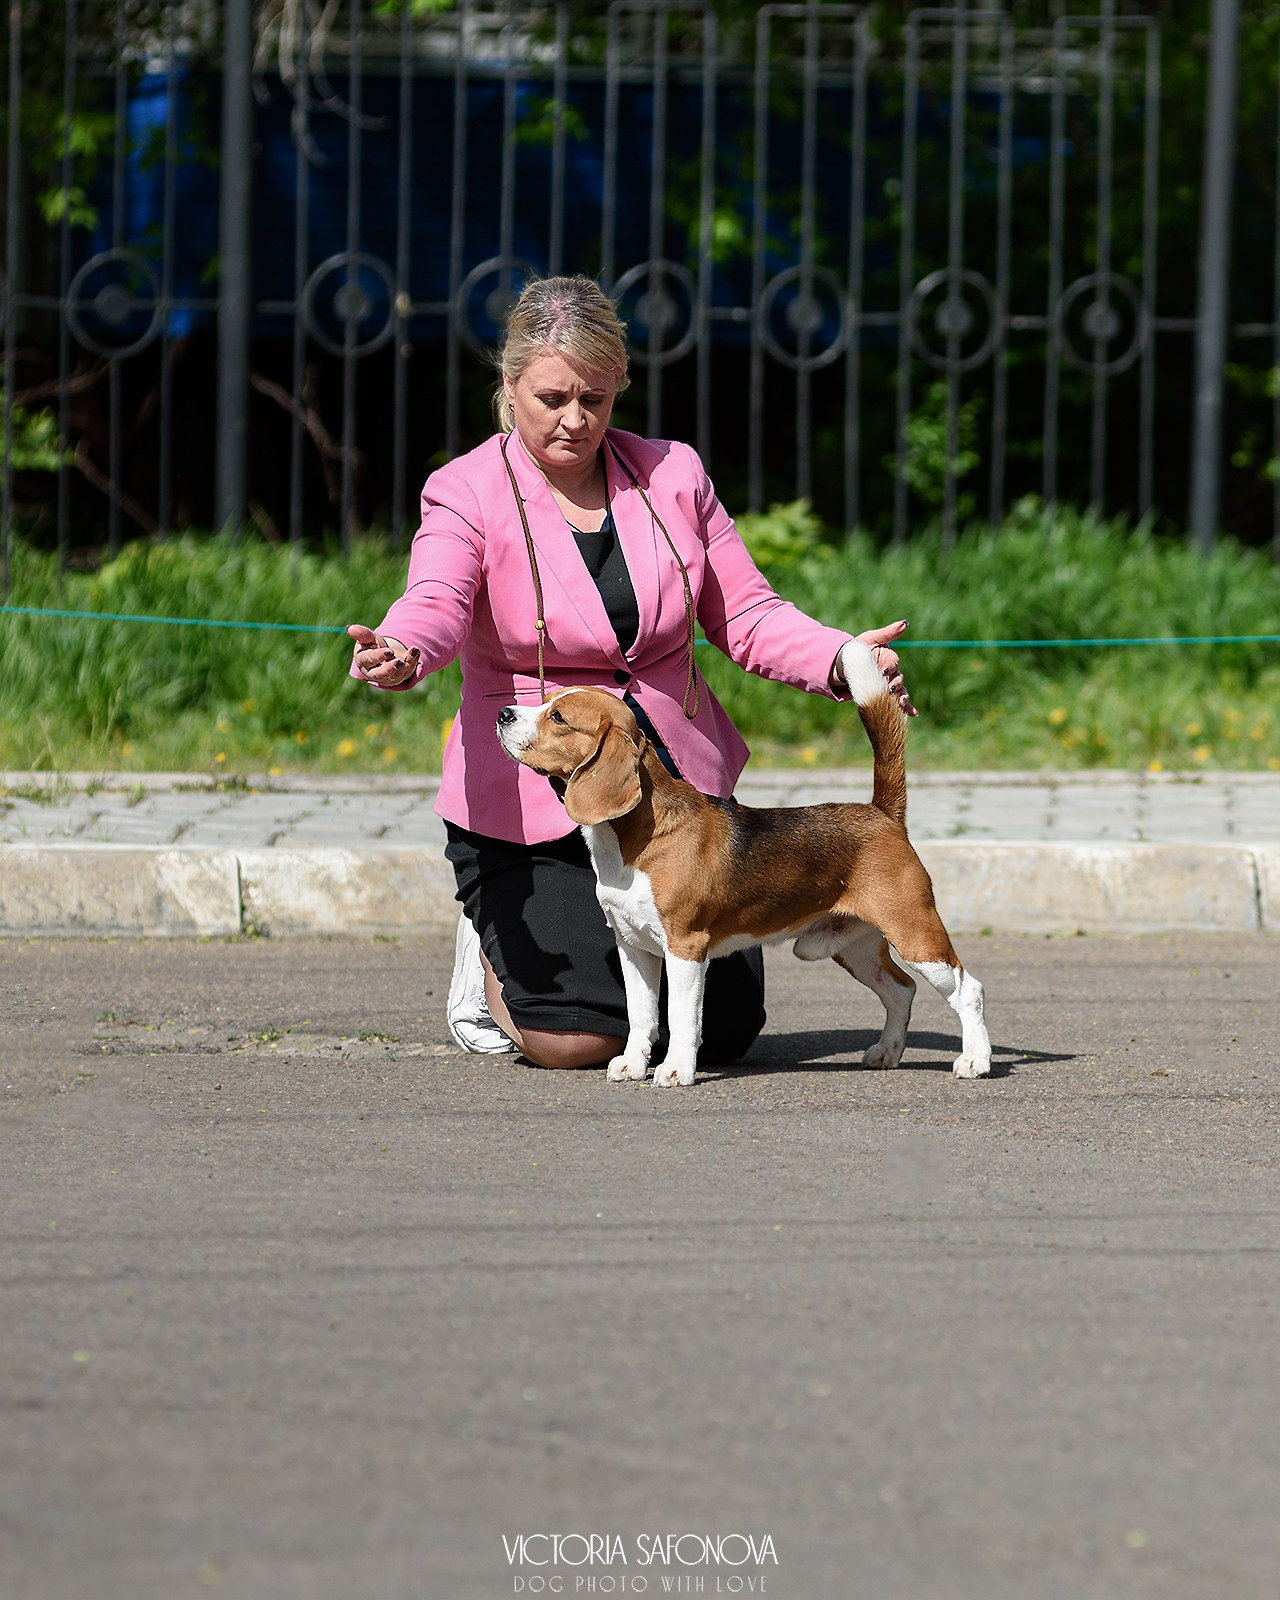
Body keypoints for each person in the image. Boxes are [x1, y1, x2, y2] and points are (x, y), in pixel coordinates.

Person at [347, 274, 914, 1070]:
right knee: (577, 1040)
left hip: (667, 792)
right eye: (551, 397)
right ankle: (486, 963)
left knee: (721, 1035)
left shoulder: (673, 476)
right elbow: (435, 597)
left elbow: (746, 612)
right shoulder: (465, 490)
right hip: (536, 795)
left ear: (619, 387)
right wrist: (403, 649)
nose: (575, 419)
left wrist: (841, 658)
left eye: (596, 398)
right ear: (509, 388)